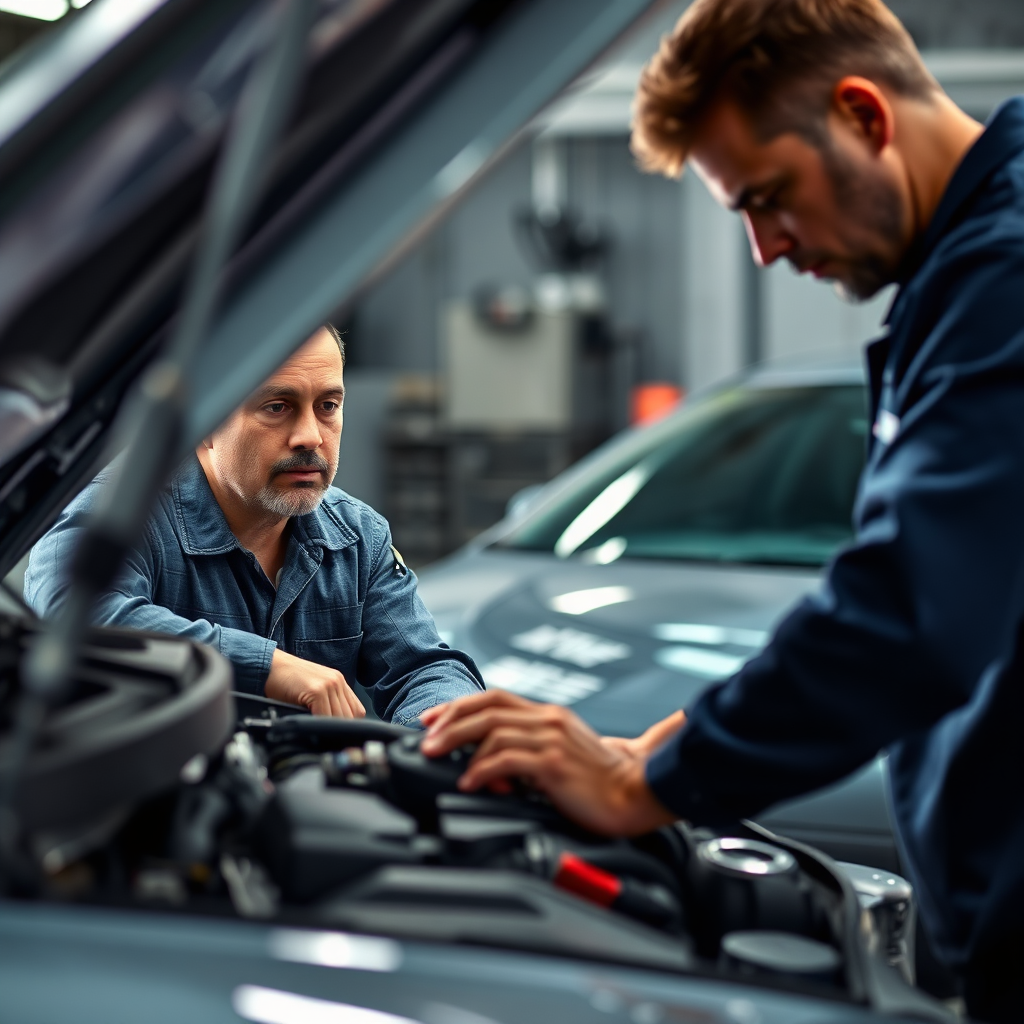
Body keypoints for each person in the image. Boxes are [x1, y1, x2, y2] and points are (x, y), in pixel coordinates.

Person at [418, 1, 1024, 1019]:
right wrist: (640, 751)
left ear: (863, 114)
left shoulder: (1004, 276)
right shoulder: (959, 280)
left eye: (770, 197)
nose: (764, 249)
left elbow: (915, 607)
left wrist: (647, 788)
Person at [25, 325, 483, 725]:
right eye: (278, 406)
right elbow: (69, 611)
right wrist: (266, 667)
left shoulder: (358, 537)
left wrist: (445, 734)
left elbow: (424, 669)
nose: (311, 436)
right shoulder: (122, 512)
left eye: (327, 405)